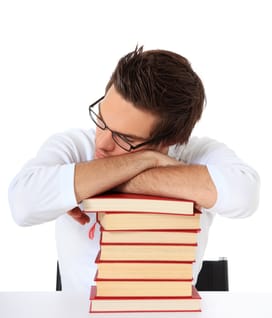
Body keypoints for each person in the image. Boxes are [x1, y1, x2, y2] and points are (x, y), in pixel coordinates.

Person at [8, 46, 260, 294]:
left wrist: (90, 184)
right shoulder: (73, 146)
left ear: (168, 142)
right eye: (102, 121)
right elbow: (22, 204)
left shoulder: (196, 154)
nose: (102, 143)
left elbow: (244, 196)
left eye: (124, 138)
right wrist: (143, 160)